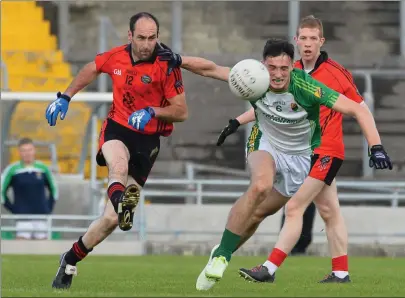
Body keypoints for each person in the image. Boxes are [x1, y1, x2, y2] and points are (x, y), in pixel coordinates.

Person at [158, 38, 392, 291]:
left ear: (292, 66)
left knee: (260, 212)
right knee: (260, 186)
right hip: (265, 143)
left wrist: (375, 146)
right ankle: (221, 256)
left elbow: (357, 109)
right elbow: (212, 69)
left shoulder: (307, 87)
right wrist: (179, 60)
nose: (278, 75)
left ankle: (225, 248)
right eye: (272, 68)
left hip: (301, 157)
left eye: (283, 68)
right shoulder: (253, 78)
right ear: (263, 65)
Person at [45, 12, 187, 289]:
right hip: (117, 129)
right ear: (130, 36)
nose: (148, 44)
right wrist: (65, 96)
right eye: (142, 38)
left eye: (153, 38)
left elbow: (181, 111)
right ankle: (124, 202)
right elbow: (91, 68)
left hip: (148, 140)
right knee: (118, 168)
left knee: (110, 218)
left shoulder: (167, 65)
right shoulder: (116, 56)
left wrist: (153, 112)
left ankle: (70, 259)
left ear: (158, 36)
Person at [220, 15, 367, 283]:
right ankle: (341, 272)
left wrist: (376, 145)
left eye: (313, 39)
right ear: (295, 41)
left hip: (325, 150)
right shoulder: (288, 69)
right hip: (303, 151)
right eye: (303, 38)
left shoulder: (336, 73)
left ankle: (269, 268)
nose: (308, 44)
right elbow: (273, 108)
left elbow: (359, 107)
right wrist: (237, 121)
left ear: (321, 41)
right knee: (329, 210)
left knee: (295, 208)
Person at [1, 138, 58, 240]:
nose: (27, 153)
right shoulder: (12, 170)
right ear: (19, 152)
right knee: (22, 247)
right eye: (24, 150)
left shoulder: (43, 168)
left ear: (34, 150)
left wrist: (48, 207)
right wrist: (13, 209)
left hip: (42, 216)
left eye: (30, 150)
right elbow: (2, 192)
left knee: (42, 248)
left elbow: (54, 190)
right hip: (23, 217)